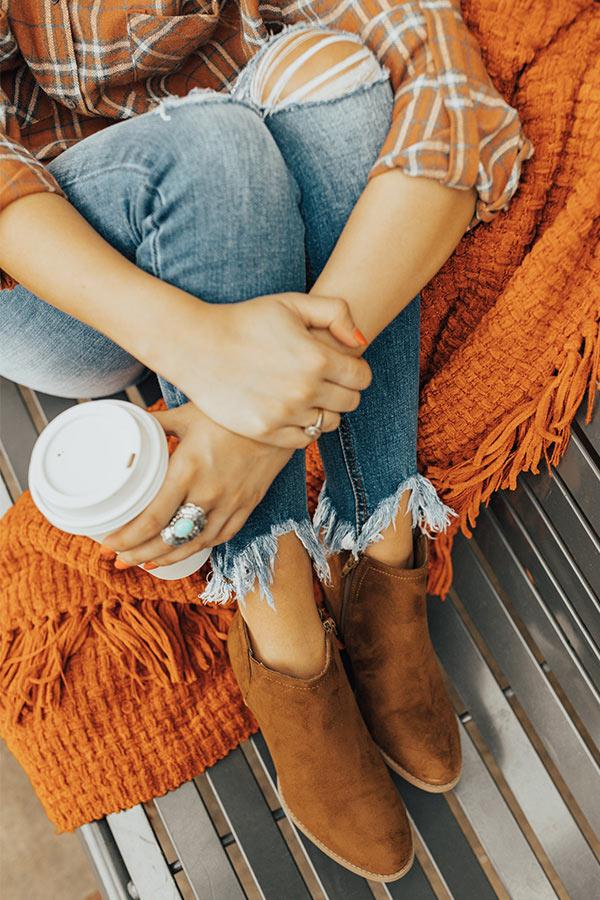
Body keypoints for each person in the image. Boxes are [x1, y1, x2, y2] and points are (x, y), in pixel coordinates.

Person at [0, 0, 533, 881]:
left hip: (256, 172)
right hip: (65, 266)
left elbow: (447, 96)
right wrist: (194, 344)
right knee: (214, 146)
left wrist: (241, 432)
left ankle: (380, 552)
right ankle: (284, 633)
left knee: (341, 72)